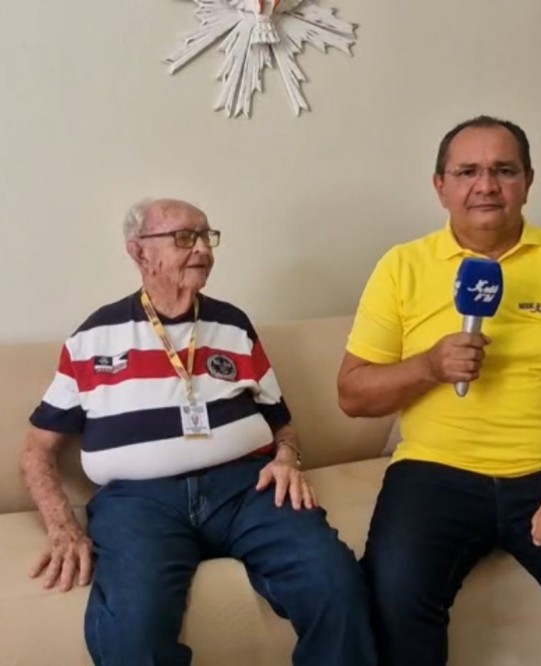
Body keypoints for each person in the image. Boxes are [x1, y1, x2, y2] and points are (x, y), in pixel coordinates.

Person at [337, 116, 541, 666]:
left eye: (504, 170)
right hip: (433, 472)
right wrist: (428, 367)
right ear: (440, 186)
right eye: (467, 172)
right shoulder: (401, 267)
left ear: (528, 181)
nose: (485, 185)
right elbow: (352, 394)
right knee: (391, 598)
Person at [19, 198, 376, 666]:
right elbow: (36, 450)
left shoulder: (233, 325)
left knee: (335, 582)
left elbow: (281, 423)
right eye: (185, 237)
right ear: (140, 251)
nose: (203, 249)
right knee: (133, 630)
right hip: (139, 503)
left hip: (247, 488)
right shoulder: (93, 337)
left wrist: (287, 458)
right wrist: (63, 526)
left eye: (207, 236)